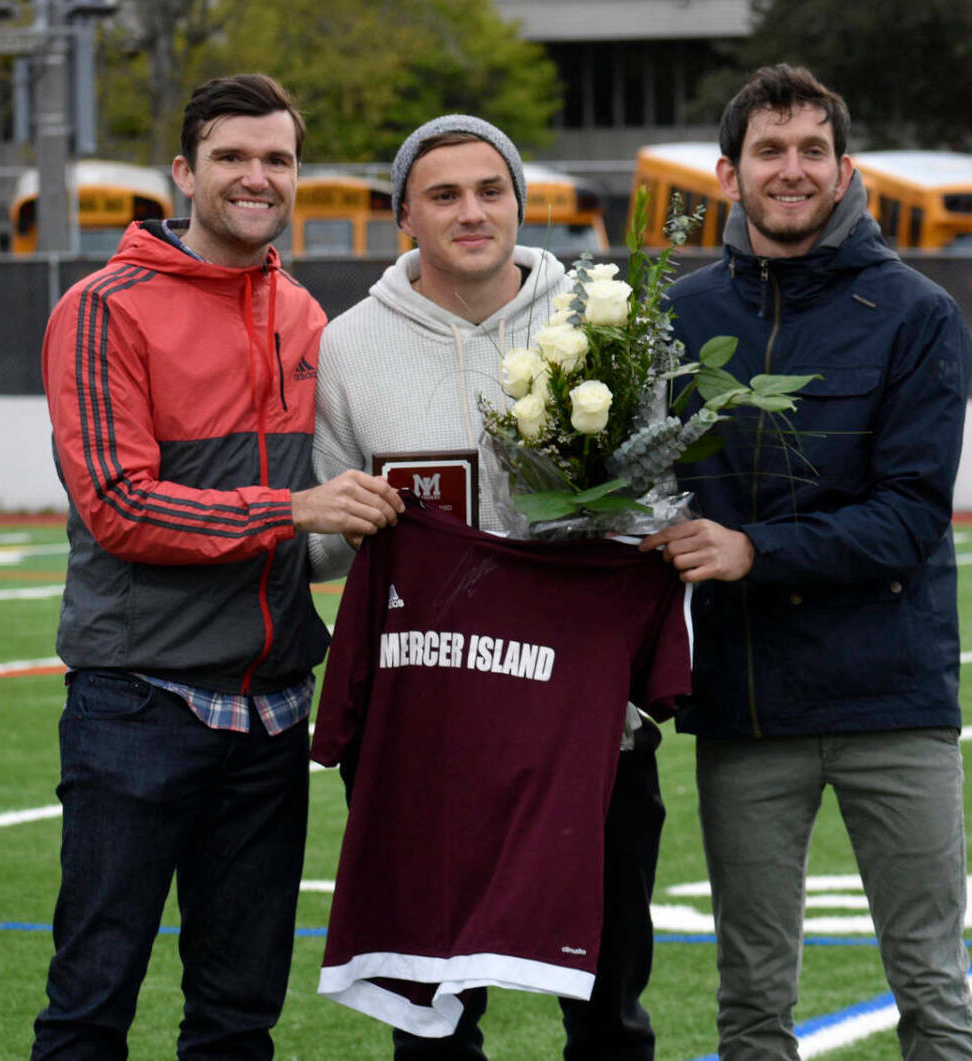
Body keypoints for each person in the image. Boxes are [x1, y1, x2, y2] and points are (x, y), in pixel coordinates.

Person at [30, 73, 402, 1060]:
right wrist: (292, 506)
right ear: (183, 171)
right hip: (139, 703)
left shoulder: (305, 315)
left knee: (239, 1018)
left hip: (273, 711)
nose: (256, 176)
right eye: (231, 157)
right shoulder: (102, 308)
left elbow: (340, 504)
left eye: (276, 158)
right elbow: (119, 505)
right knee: (90, 1003)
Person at [640, 65, 972, 1061]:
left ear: (842, 171)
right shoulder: (677, 317)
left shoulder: (915, 313)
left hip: (895, 700)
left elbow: (909, 515)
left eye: (808, 152)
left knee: (930, 984)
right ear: (726, 174)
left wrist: (751, 548)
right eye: (767, 151)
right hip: (747, 704)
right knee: (748, 998)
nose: (788, 170)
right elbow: (641, 497)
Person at [311, 114, 666, 1061]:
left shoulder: (602, 323)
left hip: (588, 725)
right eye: (444, 195)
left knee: (606, 1006)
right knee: (428, 1019)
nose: (472, 212)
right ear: (404, 220)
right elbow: (327, 545)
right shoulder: (348, 346)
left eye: (490, 190)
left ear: (519, 201)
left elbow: (661, 506)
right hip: (422, 729)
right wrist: (331, 519)